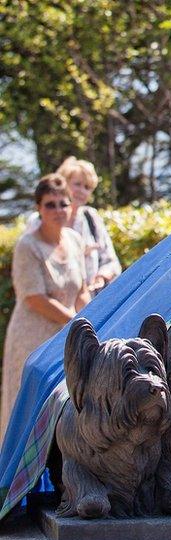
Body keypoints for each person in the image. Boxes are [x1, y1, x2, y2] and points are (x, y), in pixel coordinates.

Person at [2, 174, 90, 444]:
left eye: (63, 204)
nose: (58, 211)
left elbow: (82, 289)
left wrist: (91, 320)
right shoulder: (27, 246)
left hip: (66, 336)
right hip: (33, 338)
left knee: (65, 405)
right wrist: (76, 322)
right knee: (27, 406)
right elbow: (34, 298)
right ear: (38, 208)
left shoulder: (74, 240)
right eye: (50, 205)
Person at [28, 157, 122, 294]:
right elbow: (32, 263)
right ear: (63, 185)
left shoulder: (91, 218)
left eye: (88, 187)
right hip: (54, 304)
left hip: (92, 302)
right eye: (77, 184)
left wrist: (102, 276)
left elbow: (112, 262)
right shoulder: (37, 221)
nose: (82, 191)